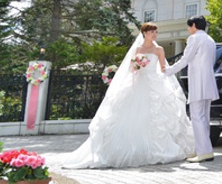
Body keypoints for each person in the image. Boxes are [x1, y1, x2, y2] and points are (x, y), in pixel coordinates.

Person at [62, 23, 194, 169]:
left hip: (155, 82)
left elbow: (163, 68)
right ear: (144, 33)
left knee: (157, 115)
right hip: (139, 82)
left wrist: (163, 73)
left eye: (156, 32)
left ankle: (158, 148)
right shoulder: (138, 49)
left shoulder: (159, 49)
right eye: (152, 32)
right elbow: (132, 69)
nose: (155, 34)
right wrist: (137, 66)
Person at [165, 15, 220, 163]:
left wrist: (168, 71)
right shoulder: (210, 39)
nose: (188, 29)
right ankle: (202, 149)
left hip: (199, 81)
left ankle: (204, 152)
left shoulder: (194, 38)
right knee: (204, 117)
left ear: (194, 25)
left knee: (197, 116)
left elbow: (185, 59)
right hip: (208, 81)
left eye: (189, 26)